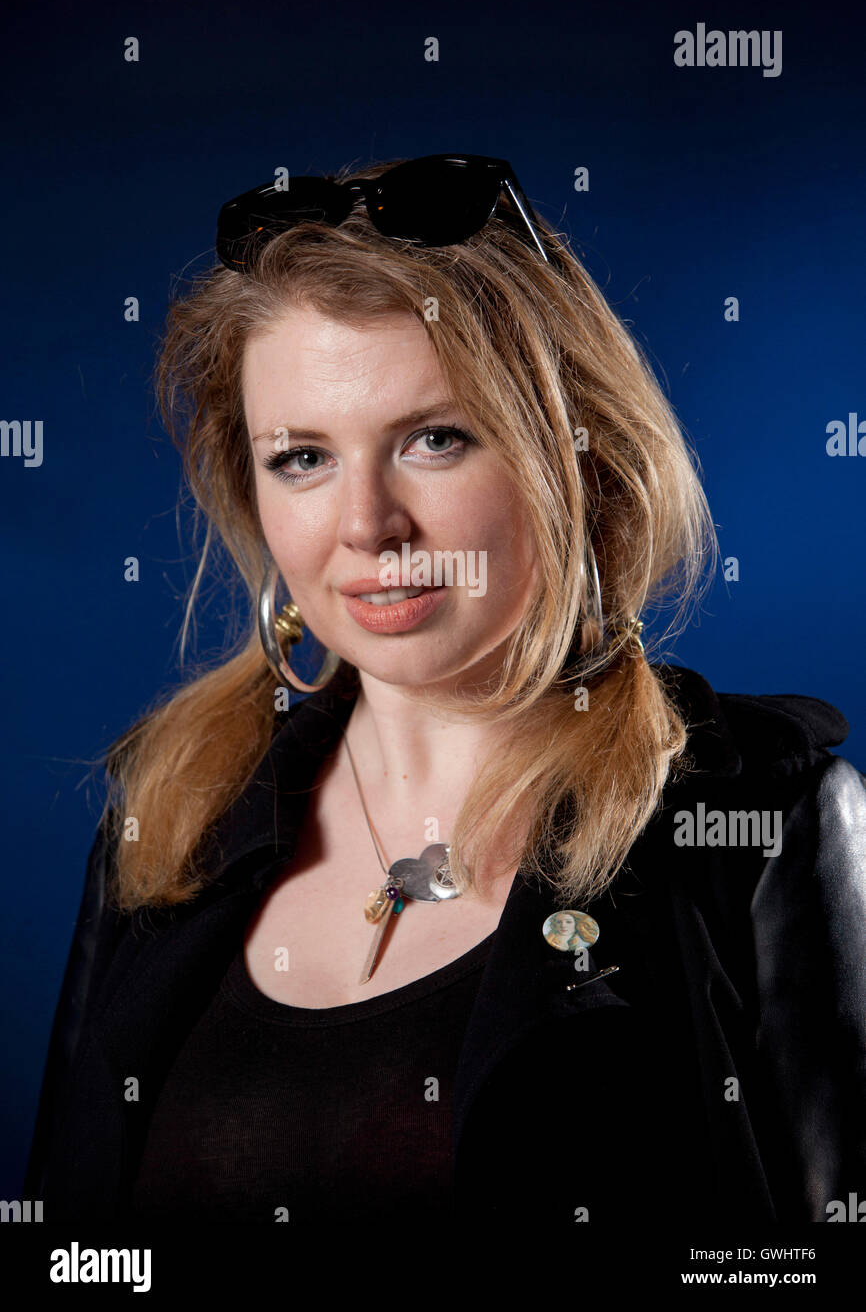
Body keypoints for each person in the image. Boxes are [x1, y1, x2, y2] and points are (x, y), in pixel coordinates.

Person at [23, 153, 866, 1233]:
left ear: (577, 457)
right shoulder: (171, 817)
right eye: (302, 457)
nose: (367, 524)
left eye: (434, 438)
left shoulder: (760, 834)